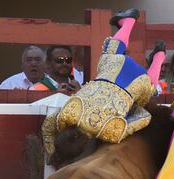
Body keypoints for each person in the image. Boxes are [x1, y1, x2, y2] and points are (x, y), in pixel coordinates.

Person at [42, 8, 166, 162]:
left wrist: (134, 107)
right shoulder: (68, 115)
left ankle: (160, 56)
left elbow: (145, 117)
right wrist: (51, 149)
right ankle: (128, 22)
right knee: (111, 50)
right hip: (113, 69)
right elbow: (47, 125)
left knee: (151, 89)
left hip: (137, 83)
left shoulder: (110, 132)